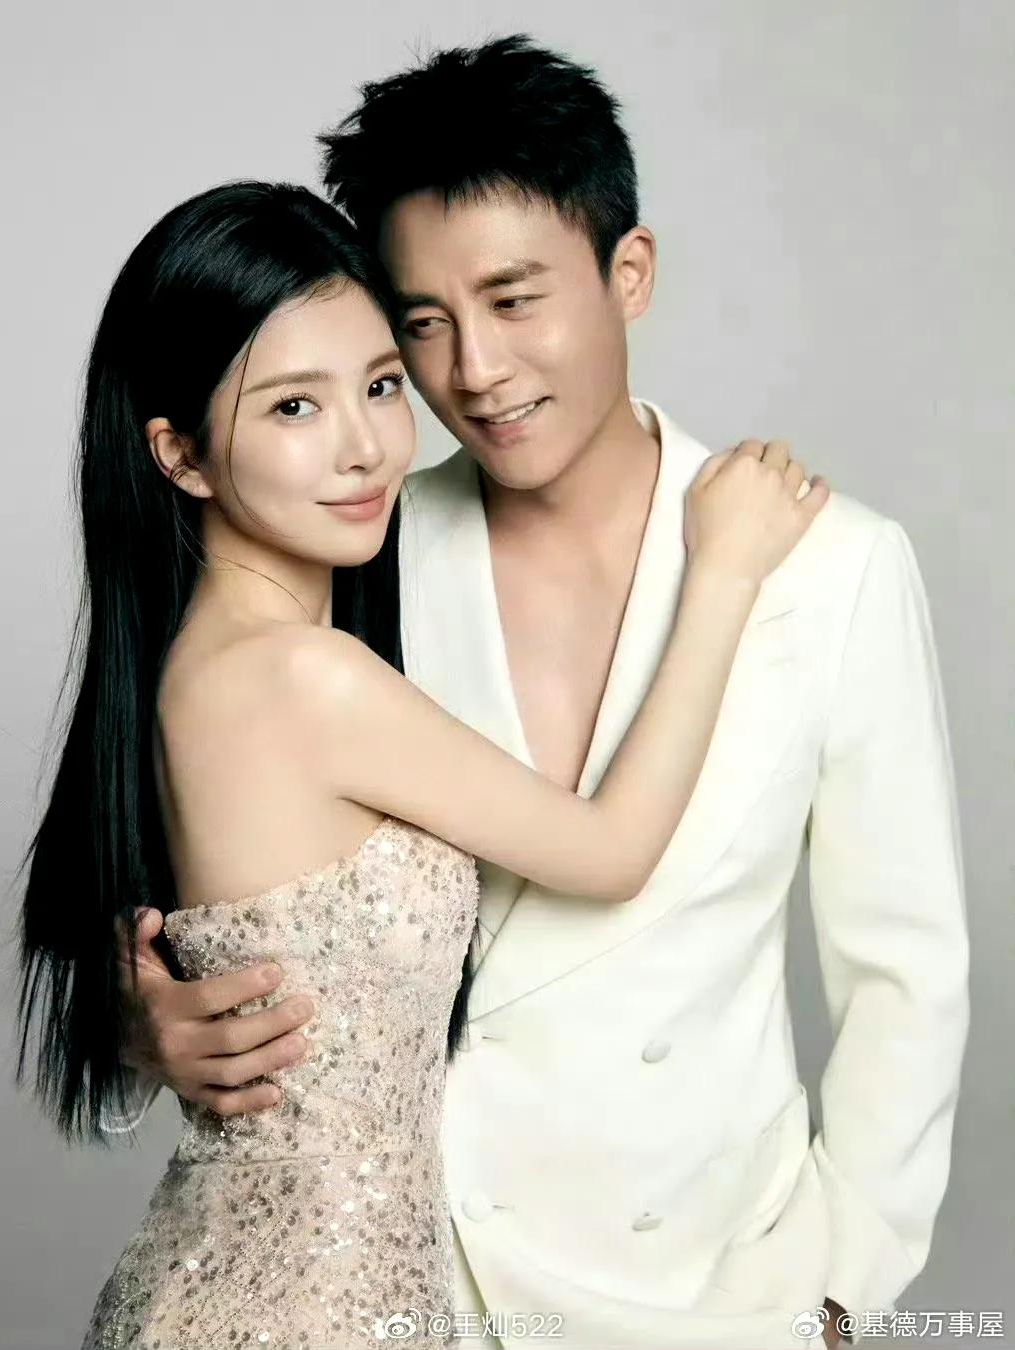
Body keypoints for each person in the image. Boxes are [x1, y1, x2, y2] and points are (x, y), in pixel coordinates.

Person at [104, 37, 969, 1350]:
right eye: (422, 325)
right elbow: (216, 845)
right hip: (425, 1283)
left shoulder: (833, 569)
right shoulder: (359, 539)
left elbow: (907, 971)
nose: (476, 371)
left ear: (631, 274)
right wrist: (149, 1027)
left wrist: (844, 1287)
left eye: (516, 300)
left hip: (711, 1285)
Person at [14, 180, 823, 1350]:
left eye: (383, 386)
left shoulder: (206, 662)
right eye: (295, 406)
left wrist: (142, 1019)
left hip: (293, 1292)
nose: (366, 448)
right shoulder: (308, 678)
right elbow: (609, 852)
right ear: (180, 456)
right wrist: (727, 570)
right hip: (296, 1315)